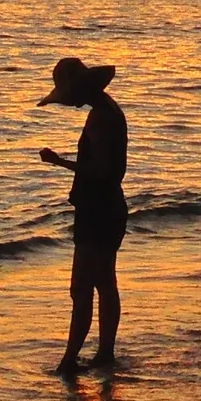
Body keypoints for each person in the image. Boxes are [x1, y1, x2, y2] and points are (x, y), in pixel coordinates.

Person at [37, 56, 128, 375]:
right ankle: (104, 354)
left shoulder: (101, 118)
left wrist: (59, 162)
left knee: (81, 288)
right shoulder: (108, 110)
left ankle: (69, 360)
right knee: (104, 283)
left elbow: (102, 172)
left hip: (98, 210)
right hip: (108, 208)